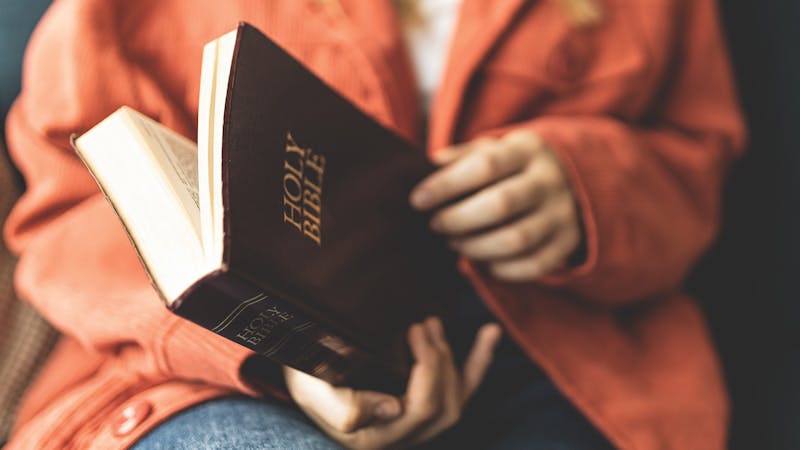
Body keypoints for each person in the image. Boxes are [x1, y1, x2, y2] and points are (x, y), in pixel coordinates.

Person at [2, 0, 745, 449]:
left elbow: (695, 164)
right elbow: (73, 206)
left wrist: (587, 188)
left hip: (557, 357)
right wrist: (272, 359)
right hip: (211, 370)